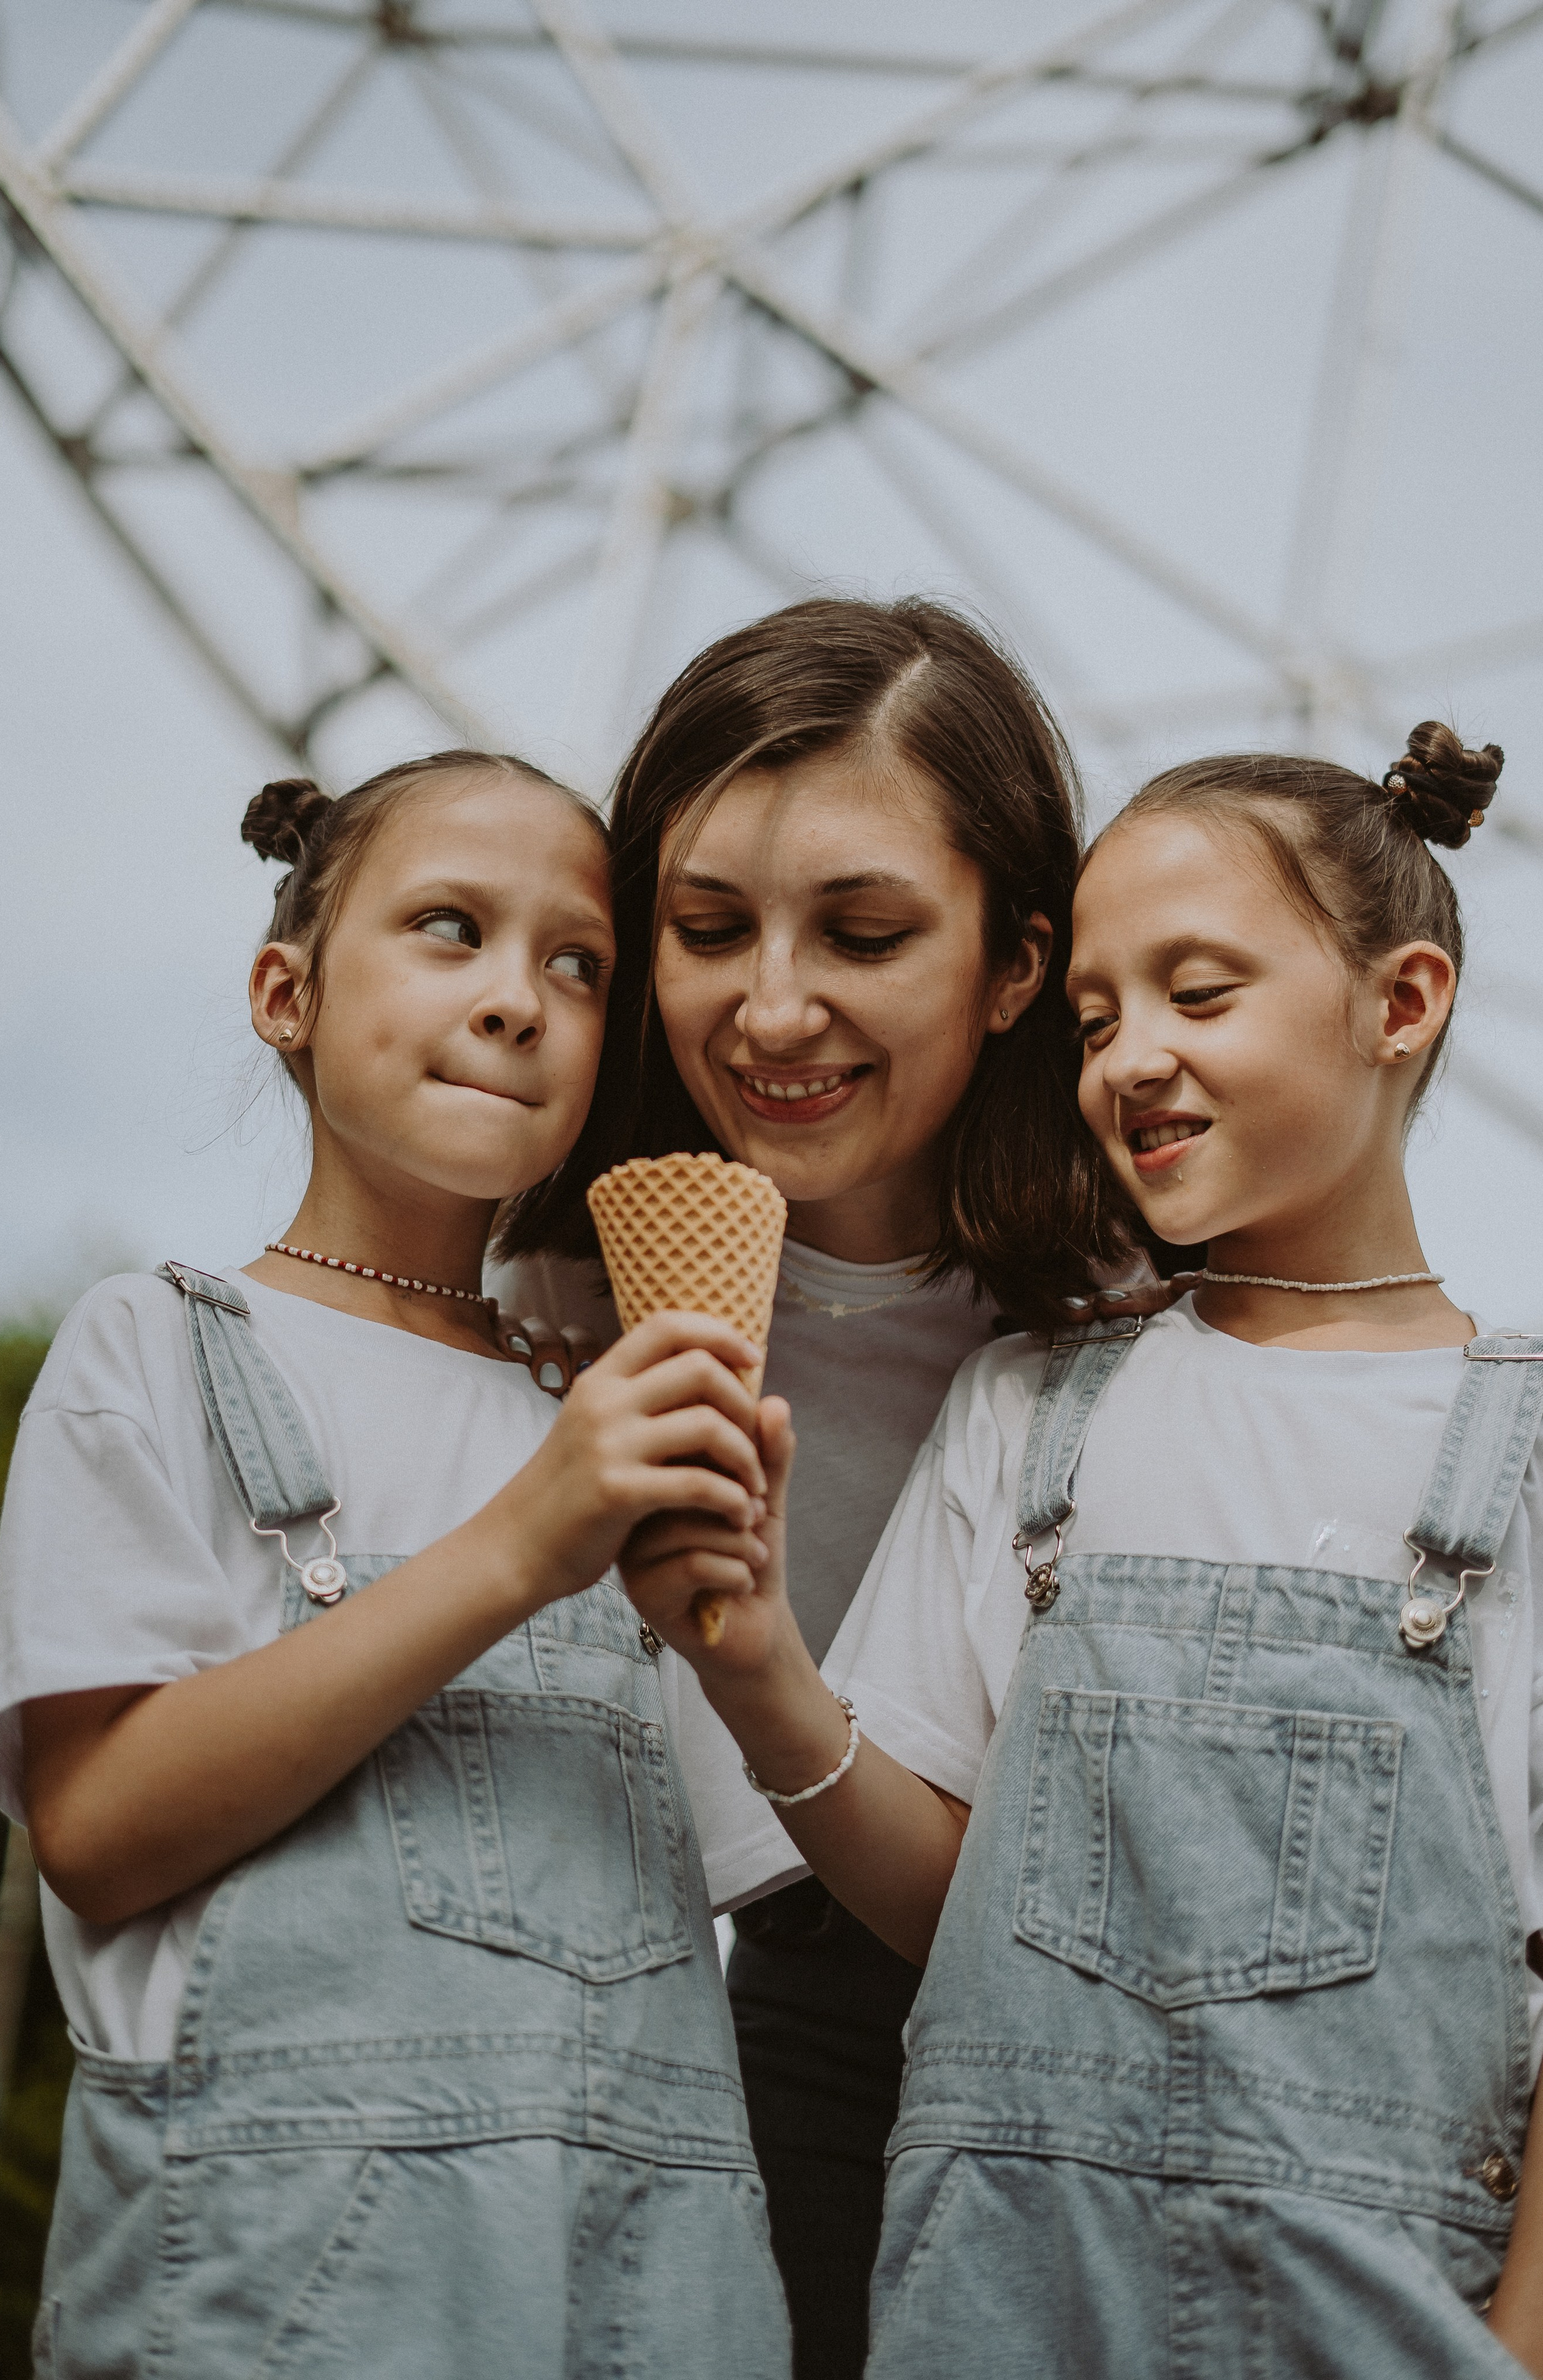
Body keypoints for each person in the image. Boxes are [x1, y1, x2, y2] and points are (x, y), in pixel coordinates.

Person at [621, 721, 1543, 2376]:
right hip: (998, 2304)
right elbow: (949, 1907)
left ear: (1400, 1006)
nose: (1124, 1060)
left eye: (1200, 995)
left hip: (1392, 2315)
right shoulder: (1033, 1409)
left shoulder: (1522, 1454)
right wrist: (754, 1658)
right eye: (1097, 1020)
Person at [0, 751, 790, 2379]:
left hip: (649, 2281)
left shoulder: (614, 1417)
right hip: (285, 2292)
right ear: (287, 991)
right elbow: (99, 1834)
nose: (517, 1000)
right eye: (448, 929)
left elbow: (716, 1915)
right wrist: (519, 1546)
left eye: (578, 964)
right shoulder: (161, 1349)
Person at [490, 597, 1152, 2374]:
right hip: (597, 2080)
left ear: (1018, 967)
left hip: (1075, 2111)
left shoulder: (1151, 1335)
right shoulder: (536, 1307)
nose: (771, 1008)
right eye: (708, 929)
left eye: (862, 933)